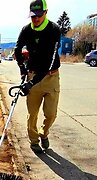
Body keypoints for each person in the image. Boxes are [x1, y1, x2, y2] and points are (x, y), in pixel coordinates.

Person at [14, 0, 61, 153]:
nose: (36, 19)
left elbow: (49, 61)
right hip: (32, 73)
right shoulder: (26, 30)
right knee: (32, 113)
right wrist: (22, 69)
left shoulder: (54, 30)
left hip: (50, 76)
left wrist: (32, 82)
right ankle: (34, 140)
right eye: (33, 16)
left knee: (51, 114)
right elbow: (17, 48)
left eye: (39, 16)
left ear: (45, 13)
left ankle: (44, 132)